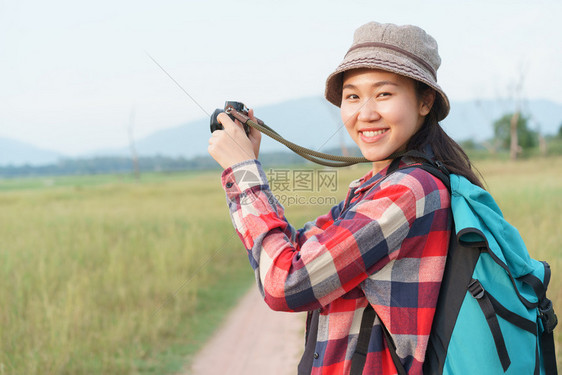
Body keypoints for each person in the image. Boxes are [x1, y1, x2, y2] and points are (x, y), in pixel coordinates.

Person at [208, 21, 482, 375]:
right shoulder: (378, 184)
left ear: (425, 101)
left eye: (383, 94)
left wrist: (243, 172)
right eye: (352, 96)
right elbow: (297, 250)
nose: (364, 113)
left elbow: (285, 282)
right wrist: (248, 164)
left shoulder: (408, 190)